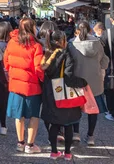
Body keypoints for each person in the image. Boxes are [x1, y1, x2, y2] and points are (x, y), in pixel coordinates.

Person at [41, 29, 87, 160]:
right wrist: (83, 82)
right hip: (64, 93)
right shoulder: (66, 54)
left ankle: (54, 151)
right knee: (68, 124)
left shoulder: (47, 54)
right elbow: (69, 77)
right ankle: (67, 153)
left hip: (50, 93)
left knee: (54, 124)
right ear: (61, 41)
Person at [3, 18, 44, 153]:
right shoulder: (36, 46)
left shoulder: (11, 42)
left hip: (15, 84)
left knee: (18, 115)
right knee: (34, 116)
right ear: (32, 28)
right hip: (32, 86)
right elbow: (38, 68)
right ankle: (30, 145)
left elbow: (6, 62)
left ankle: (20, 143)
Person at [68, 21, 109, 145]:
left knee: (75, 108)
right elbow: (104, 60)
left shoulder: (72, 44)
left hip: (77, 80)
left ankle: (76, 134)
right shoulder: (97, 43)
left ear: (77, 30)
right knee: (93, 109)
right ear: (90, 30)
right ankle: (90, 136)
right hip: (95, 80)